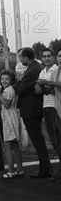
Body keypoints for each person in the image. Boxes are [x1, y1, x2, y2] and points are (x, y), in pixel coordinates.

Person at [14, 47, 52, 178]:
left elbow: (22, 89)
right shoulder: (37, 67)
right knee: (38, 139)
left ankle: (46, 169)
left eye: (21, 57)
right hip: (34, 108)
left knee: (37, 140)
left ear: (26, 57)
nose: (20, 60)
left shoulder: (31, 70)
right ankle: (45, 168)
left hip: (31, 110)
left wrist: (17, 81)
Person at [35, 48, 61, 181]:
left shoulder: (55, 70)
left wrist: (45, 84)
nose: (46, 58)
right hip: (46, 105)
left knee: (58, 139)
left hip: (54, 106)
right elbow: (43, 91)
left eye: (49, 56)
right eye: (44, 56)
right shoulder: (43, 71)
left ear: (53, 57)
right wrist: (41, 86)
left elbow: (52, 89)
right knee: (54, 140)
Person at [0, 70, 23, 178]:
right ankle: (19, 169)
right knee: (14, 145)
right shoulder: (6, 90)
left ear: (11, 80)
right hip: (8, 116)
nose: (4, 81)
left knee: (8, 145)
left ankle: (10, 170)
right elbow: (0, 105)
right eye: (2, 79)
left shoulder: (8, 91)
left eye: (6, 79)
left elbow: (6, 105)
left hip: (10, 117)